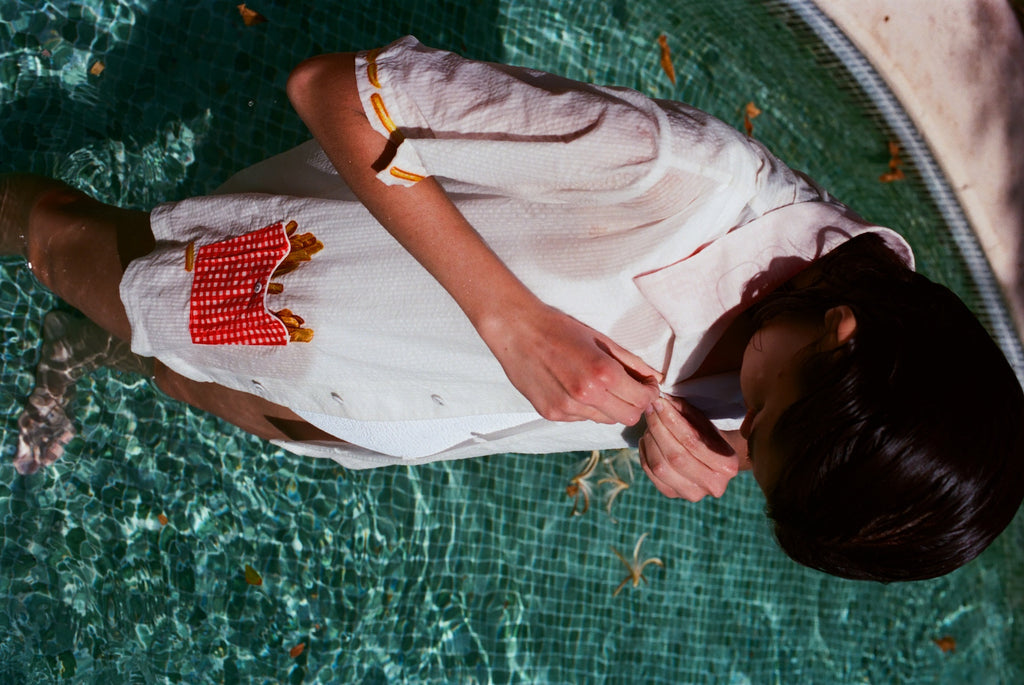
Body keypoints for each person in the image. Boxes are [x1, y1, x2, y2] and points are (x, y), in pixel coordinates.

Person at [3, 37, 1022, 582]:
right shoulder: (681, 179)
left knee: (176, 372)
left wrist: (648, 435)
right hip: (281, 290)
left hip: (377, 410)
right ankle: (83, 310)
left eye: (755, 465)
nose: (735, 446)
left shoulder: (843, 332)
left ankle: (81, 344)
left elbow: (687, 391)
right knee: (65, 245)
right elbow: (332, 91)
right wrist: (510, 320)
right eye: (764, 426)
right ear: (844, 336)